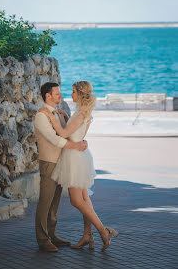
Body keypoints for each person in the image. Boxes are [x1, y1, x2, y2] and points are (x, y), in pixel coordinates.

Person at [39, 81, 118, 251]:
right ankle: (87, 236)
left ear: (81, 94)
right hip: (80, 156)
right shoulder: (83, 113)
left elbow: (63, 134)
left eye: (73, 92)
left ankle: (103, 231)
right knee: (85, 198)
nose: (71, 94)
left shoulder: (80, 114)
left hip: (74, 159)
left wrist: (51, 116)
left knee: (76, 200)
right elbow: (78, 133)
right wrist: (67, 119)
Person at [34, 82, 88, 252]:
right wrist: (77, 147)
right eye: (56, 94)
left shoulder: (57, 113)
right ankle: (43, 240)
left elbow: (68, 133)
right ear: (47, 96)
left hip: (61, 163)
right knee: (45, 202)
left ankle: (52, 234)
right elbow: (55, 139)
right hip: (49, 163)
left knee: (55, 202)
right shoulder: (41, 116)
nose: (61, 96)